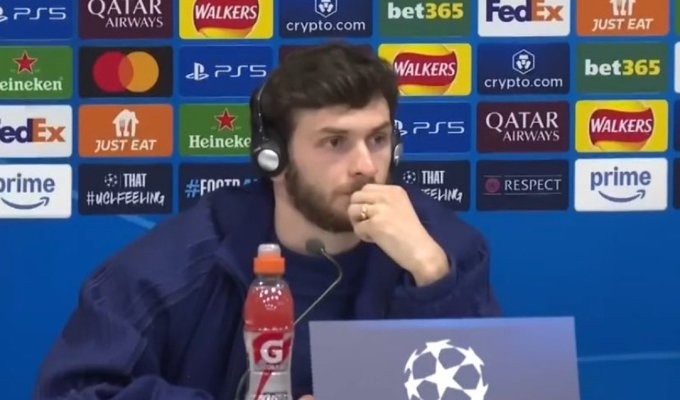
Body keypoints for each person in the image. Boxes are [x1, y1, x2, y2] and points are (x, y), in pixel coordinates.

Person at [34, 42, 501, 400]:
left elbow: (493, 386)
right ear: (272, 158)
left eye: (378, 140)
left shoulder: (441, 249)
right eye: (335, 143)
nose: (365, 166)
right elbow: (73, 390)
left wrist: (433, 276)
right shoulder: (185, 261)